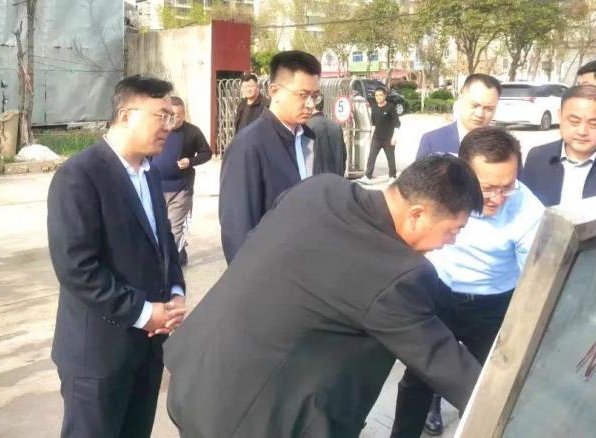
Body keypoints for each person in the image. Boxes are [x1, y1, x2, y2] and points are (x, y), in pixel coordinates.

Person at [166, 155, 484, 438]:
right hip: (252, 421)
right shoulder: (399, 273)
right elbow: (446, 365)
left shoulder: (320, 190)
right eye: (453, 230)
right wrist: (502, 407)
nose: (451, 241)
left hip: (197, 377)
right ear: (417, 214)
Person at [47, 75, 186, 438]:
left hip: (147, 349)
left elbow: (164, 243)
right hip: (98, 355)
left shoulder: (149, 173)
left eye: (171, 117)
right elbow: (76, 268)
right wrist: (144, 312)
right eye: (161, 116)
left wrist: (175, 292)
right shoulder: (79, 176)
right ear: (126, 116)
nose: (168, 126)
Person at [391, 127, 545, 438]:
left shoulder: (528, 210)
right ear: (463, 173)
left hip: (492, 307)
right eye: (487, 188)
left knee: (485, 388)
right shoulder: (441, 184)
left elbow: (534, 275)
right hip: (438, 296)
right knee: (418, 379)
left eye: (507, 187)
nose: (497, 198)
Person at [219, 50, 321, 263]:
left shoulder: (308, 139)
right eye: (303, 95)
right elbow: (237, 232)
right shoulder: (248, 146)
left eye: (314, 96)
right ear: (274, 91)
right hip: (272, 271)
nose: (311, 104)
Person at [150, 96, 212, 266]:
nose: (173, 119)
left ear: (184, 114)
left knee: (176, 229)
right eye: (169, 115)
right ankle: (179, 254)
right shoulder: (158, 129)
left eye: (177, 115)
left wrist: (190, 161)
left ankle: (170, 265)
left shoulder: (192, 132)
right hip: (157, 188)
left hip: (181, 189)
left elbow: (206, 153)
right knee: (160, 225)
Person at [416, 74, 501, 158]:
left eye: (488, 109)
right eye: (474, 105)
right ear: (460, 98)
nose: (480, 114)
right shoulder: (431, 141)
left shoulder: (503, 146)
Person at [361, 86, 400, 183]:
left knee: (390, 158)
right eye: (376, 95)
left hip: (388, 138)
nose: (378, 97)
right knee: (371, 157)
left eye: (380, 95)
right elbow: (373, 124)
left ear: (385, 96)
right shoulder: (374, 107)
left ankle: (392, 176)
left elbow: (397, 123)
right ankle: (367, 176)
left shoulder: (390, 107)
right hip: (377, 137)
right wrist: (371, 137)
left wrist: (394, 137)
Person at [307, 96, 347, 176]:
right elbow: (344, 156)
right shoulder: (336, 127)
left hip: (316, 179)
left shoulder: (307, 127)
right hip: (336, 178)